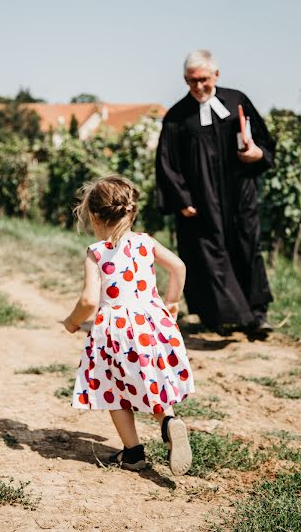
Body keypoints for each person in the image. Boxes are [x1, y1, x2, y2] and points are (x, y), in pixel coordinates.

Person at [63, 175, 194, 474]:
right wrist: (171, 303)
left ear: (94, 215)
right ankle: (169, 422)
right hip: (151, 321)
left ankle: (133, 453)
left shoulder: (96, 252)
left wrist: (72, 322)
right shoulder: (146, 242)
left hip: (116, 328)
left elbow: (88, 301)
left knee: (114, 388)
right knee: (151, 378)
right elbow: (179, 267)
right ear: (131, 211)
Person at [156, 50, 275, 336]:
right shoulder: (176, 117)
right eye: (191, 81)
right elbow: (166, 163)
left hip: (239, 195)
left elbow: (262, 142)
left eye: (203, 80)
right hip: (201, 201)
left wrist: (255, 153)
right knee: (207, 256)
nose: (198, 87)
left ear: (216, 75)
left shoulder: (237, 102)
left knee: (247, 248)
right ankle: (218, 316)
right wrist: (182, 200)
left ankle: (257, 315)